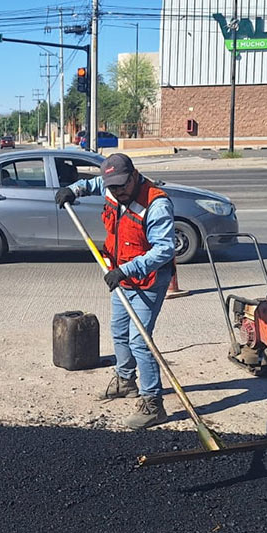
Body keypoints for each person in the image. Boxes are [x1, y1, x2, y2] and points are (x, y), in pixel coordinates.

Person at [55, 153, 176, 429]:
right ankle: (125, 381)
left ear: (133, 176)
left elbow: (164, 250)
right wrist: (72, 191)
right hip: (120, 274)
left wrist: (126, 271)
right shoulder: (110, 187)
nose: (117, 191)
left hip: (148, 280)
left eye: (122, 186)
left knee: (139, 341)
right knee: (118, 330)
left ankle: (153, 403)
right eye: (113, 186)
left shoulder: (155, 205)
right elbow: (94, 184)